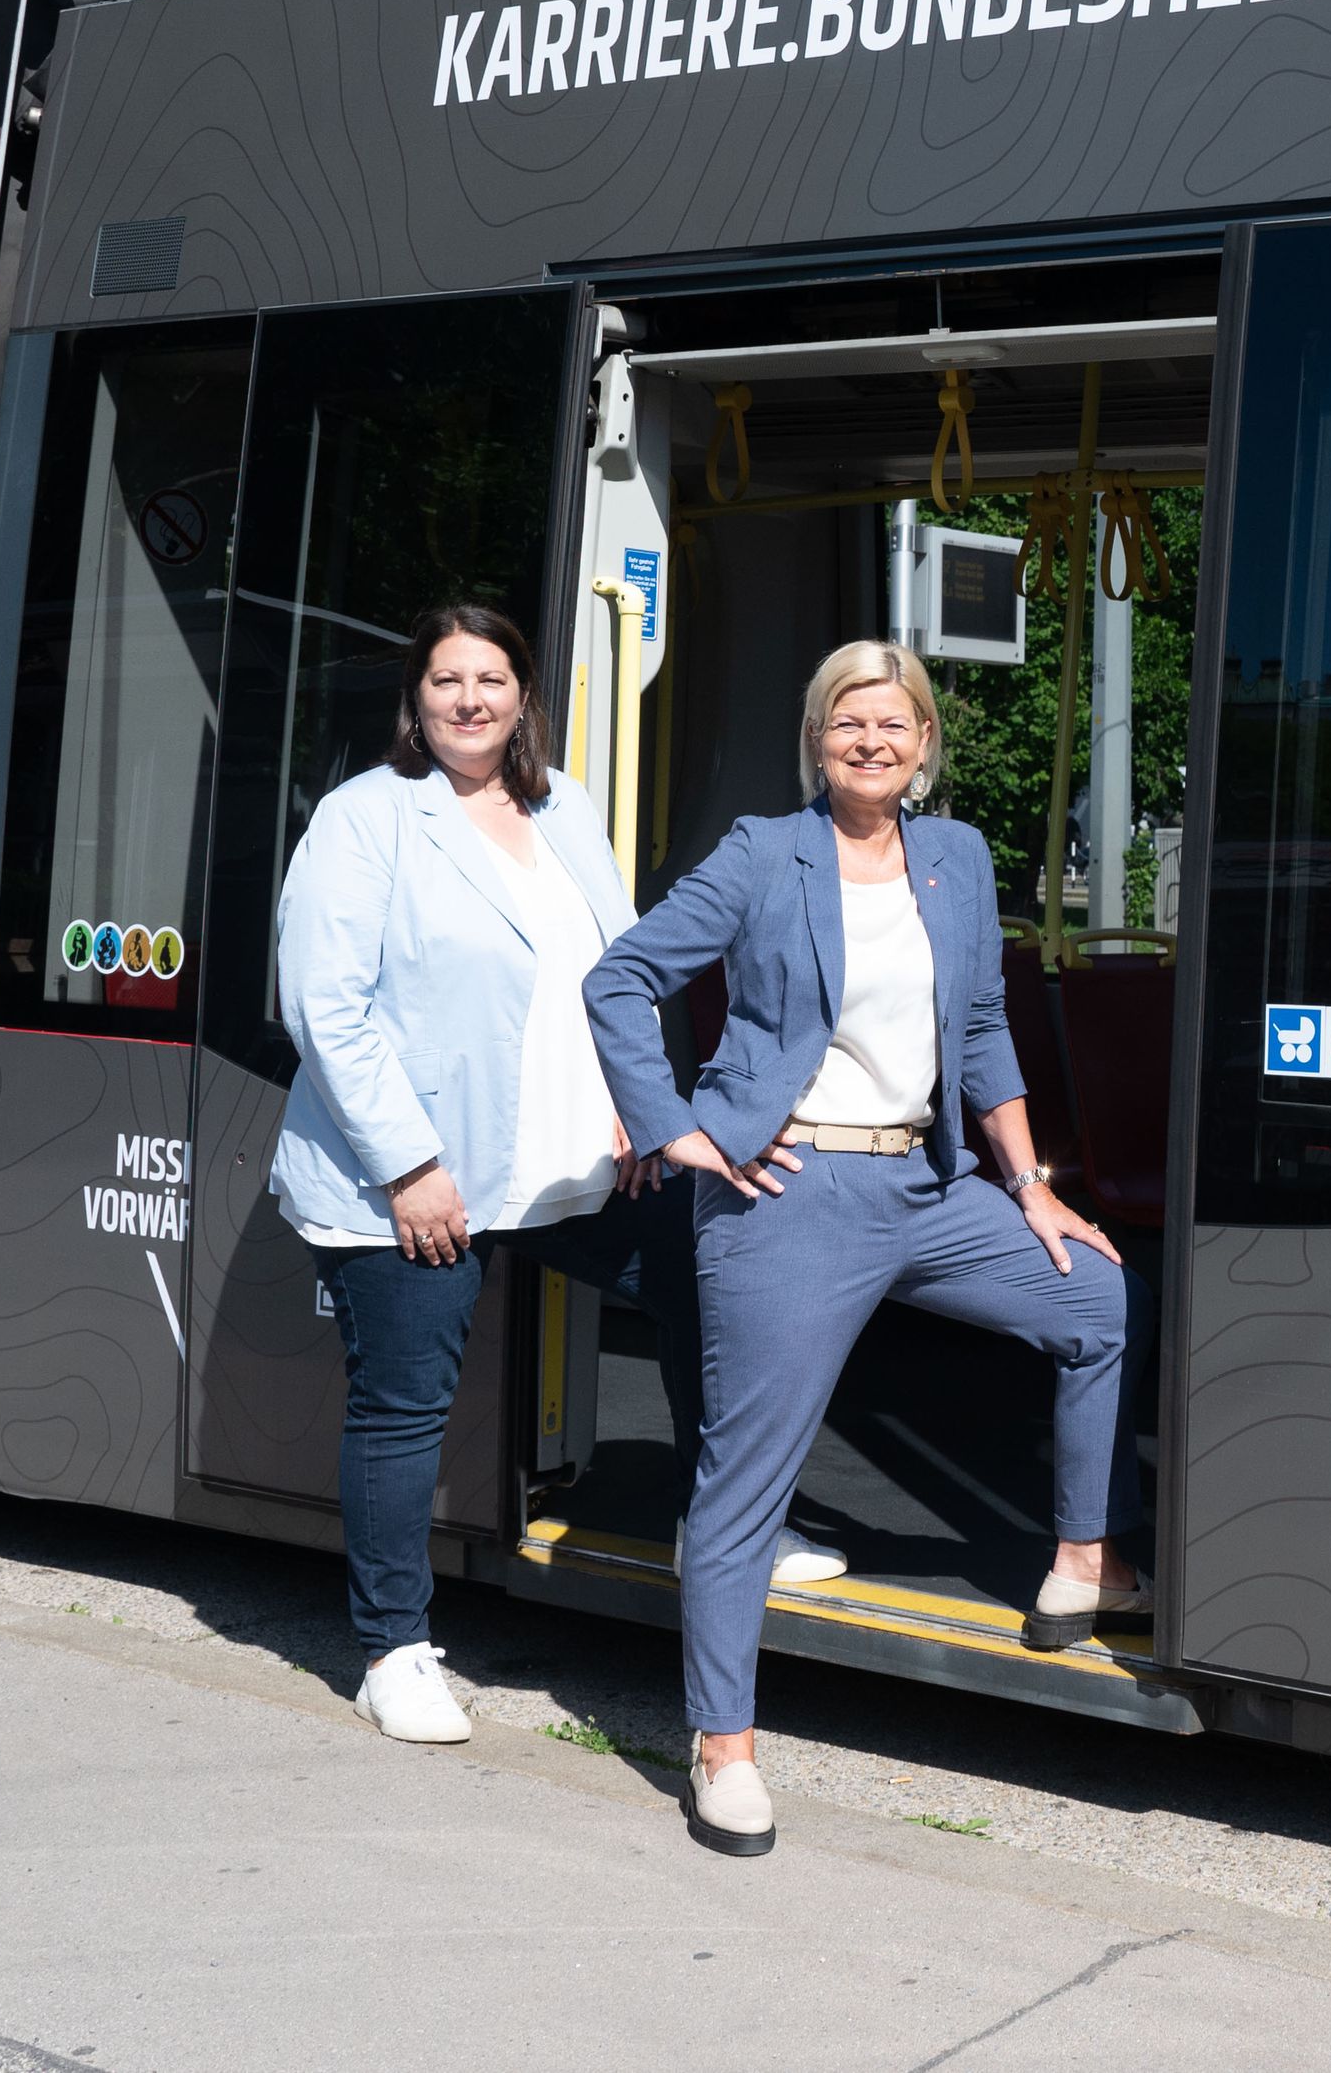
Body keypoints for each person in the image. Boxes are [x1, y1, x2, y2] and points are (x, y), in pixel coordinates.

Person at [585, 639, 1143, 1857]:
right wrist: (676, 1131)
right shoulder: (757, 854)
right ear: (817, 738)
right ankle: (721, 1746)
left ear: (926, 742)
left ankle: (1081, 1565)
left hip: (928, 1184)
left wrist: (1031, 1186)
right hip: (790, 1190)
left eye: (894, 725)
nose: (871, 743)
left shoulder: (953, 856)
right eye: (849, 724)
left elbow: (984, 1024)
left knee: (1094, 1296)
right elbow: (621, 980)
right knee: (744, 1481)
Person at [270, 604, 688, 1743]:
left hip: (561, 1156)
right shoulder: (366, 819)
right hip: (416, 1172)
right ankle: (393, 1650)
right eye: (446, 680)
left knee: (709, 1268)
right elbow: (323, 1005)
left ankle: (723, 1516)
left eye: (489, 678)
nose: (468, 699)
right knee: (404, 1407)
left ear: (521, 696)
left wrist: (635, 1109)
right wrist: (408, 1168)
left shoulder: (567, 810)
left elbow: (623, 971)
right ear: (416, 700)